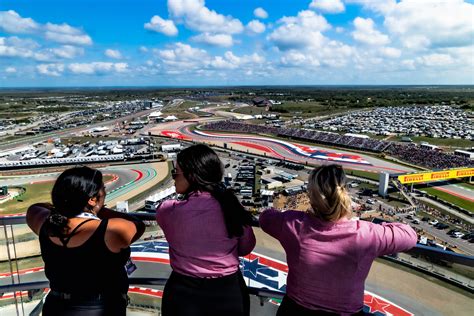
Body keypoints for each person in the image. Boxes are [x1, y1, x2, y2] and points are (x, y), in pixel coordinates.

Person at [259, 164, 417, 316]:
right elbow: (410, 236)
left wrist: (288, 213)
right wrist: (379, 226)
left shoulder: (292, 223)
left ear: (312, 197)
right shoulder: (366, 233)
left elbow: (265, 217)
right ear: (345, 194)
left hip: (295, 310)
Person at [26, 166, 145, 316]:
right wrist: (100, 211)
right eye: (103, 189)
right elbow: (138, 225)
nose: (106, 192)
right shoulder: (110, 230)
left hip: (56, 306)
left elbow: (35, 208)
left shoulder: (45, 224)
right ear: (92, 199)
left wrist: (65, 208)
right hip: (101, 308)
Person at [156, 144, 256, 316]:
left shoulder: (168, 210)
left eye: (175, 173)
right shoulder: (231, 207)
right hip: (227, 291)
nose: (173, 178)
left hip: (183, 292)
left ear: (192, 176)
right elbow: (246, 247)